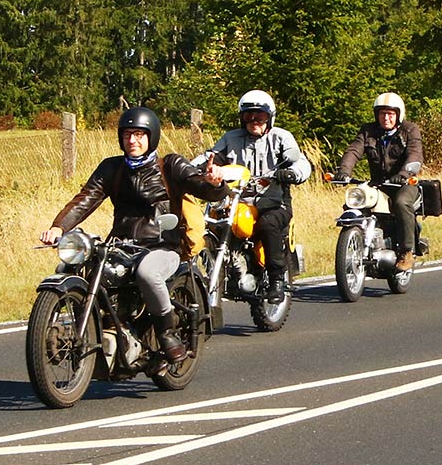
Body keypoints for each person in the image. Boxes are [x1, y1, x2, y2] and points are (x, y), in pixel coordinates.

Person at [41, 107, 225, 363]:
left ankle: (166, 332)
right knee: (79, 264)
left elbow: (203, 188)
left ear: (152, 137)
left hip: (163, 247)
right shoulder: (112, 168)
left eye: (139, 135)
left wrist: (216, 183)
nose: (132, 141)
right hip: (121, 245)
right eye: (127, 135)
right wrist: (59, 227)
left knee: (147, 273)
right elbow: (86, 199)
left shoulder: (170, 165)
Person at [203, 90, 312, 302]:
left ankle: (276, 280)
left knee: (267, 225)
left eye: (260, 116)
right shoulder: (230, 138)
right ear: (242, 117)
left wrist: (292, 173)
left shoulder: (281, 137)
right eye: (249, 116)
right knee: (213, 223)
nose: (254, 120)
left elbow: (301, 161)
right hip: (237, 201)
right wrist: (192, 168)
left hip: (273, 202)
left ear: (270, 117)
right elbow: (210, 157)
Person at [337, 92, 424, 271]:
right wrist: (344, 171)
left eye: (391, 114)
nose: (386, 118)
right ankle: (358, 242)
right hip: (378, 184)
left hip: (404, 184)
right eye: (382, 113)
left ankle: (407, 251)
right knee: (355, 203)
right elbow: (354, 150)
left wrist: (404, 173)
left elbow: (415, 154)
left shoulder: (409, 130)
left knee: (401, 203)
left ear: (399, 115)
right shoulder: (368, 131)